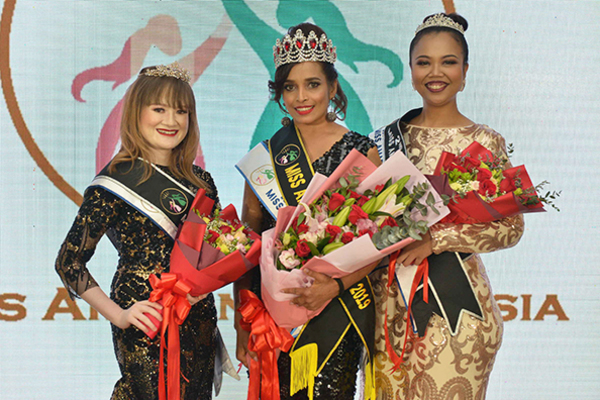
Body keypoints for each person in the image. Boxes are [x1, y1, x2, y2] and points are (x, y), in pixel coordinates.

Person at [369, 13, 525, 399]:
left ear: (465, 70)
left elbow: (512, 227)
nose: (435, 72)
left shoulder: (487, 141)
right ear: (410, 70)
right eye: (424, 62)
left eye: (448, 62)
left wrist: (436, 240)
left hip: (456, 315)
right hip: (390, 311)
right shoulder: (383, 141)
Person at [235, 23, 381, 400]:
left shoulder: (362, 152)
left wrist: (333, 286)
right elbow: (245, 250)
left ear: (333, 87)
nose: (301, 97)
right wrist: (241, 324)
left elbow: (383, 240)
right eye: (290, 86)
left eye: (312, 84)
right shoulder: (267, 157)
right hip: (276, 324)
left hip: (339, 311)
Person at [55, 63, 219, 399]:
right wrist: (120, 315)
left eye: (181, 111)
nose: (171, 121)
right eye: (158, 109)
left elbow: (219, 250)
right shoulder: (114, 181)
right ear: (136, 112)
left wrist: (207, 284)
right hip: (146, 319)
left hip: (198, 316)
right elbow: (69, 262)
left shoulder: (202, 182)